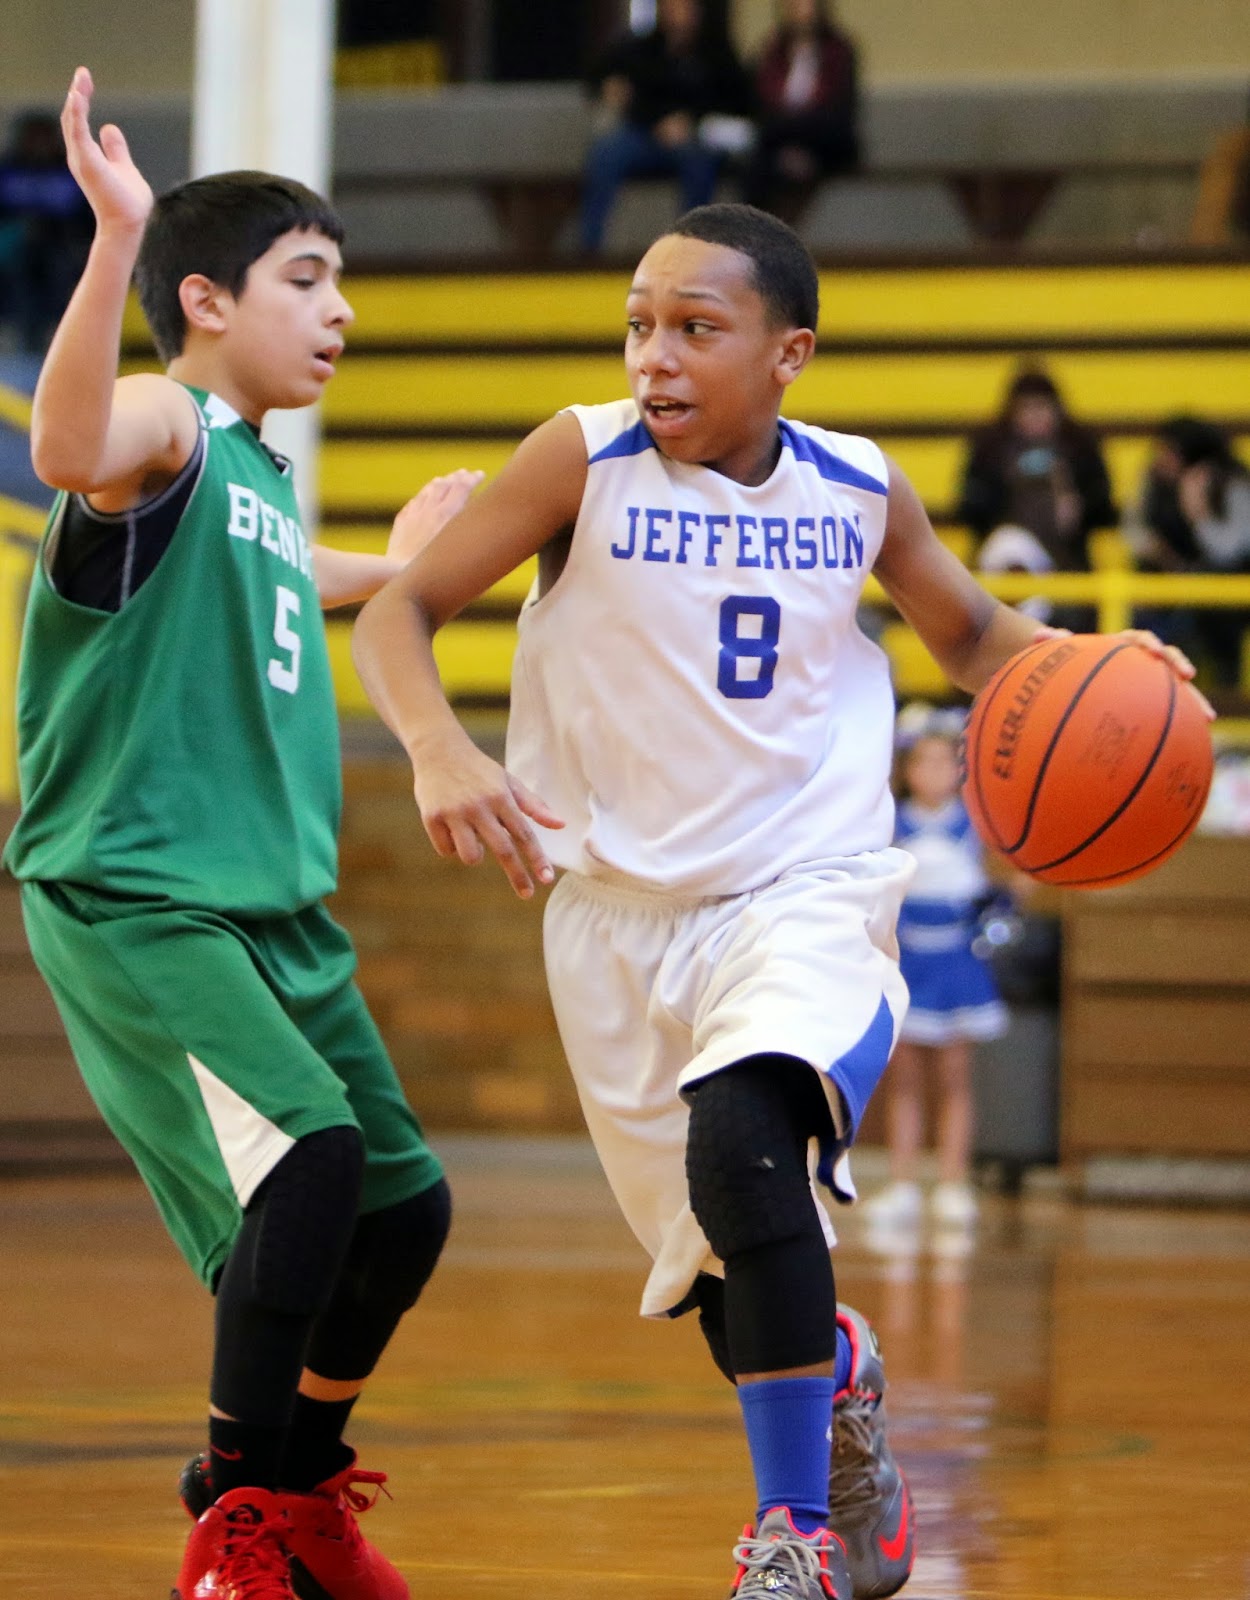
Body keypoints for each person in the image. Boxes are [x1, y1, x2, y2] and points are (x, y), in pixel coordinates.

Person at [351, 200, 1202, 1597]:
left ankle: (788, 1543)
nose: (653, 357)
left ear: (786, 351)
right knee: (724, 1274)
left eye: (694, 328)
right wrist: (441, 749)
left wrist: (1104, 659)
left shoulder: (857, 485)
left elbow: (978, 639)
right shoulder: (583, 459)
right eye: (637, 323)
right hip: (614, 918)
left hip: (803, 890)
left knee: (746, 1142)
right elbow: (397, 610)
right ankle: (847, 1375)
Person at [3, 68, 478, 1600]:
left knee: (405, 1209)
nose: (340, 310)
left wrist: (401, 561)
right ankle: (235, 1520)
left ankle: (300, 1482)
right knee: (309, 1166)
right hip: (142, 893)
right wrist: (111, 239)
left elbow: (300, 572)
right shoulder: (174, 429)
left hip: (272, 912)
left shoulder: (258, 482)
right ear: (204, 300)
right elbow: (73, 444)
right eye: (309, 279)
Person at [861, 706, 1009, 1234]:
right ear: (908, 770)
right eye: (923, 762)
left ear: (959, 770)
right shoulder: (889, 823)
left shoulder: (977, 826)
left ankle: (951, 1183)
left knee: (953, 1078)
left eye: (944, 763)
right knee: (902, 1080)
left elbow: (1009, 883)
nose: (933, 773)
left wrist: (996, 915)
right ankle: (902, 1183)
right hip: (907, 959)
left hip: (957, 959)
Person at [580, 0, 752, 255]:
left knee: (699, 162)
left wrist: (691, 121)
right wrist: (613, 88)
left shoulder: (716, 51)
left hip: (694, 136)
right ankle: (589, 250)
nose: (678, 13)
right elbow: (600, 76)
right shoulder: (642, 47)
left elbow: (737, 100)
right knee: (606, 152)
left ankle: (690, 249)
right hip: (646, 132)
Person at [1123, 416, 1250, 688]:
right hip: (1167, 582)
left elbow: (1230, 551)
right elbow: (1134, 532)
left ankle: (1222, 690)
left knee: (1205, 612)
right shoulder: (1155, 484)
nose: (1161, 459)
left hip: (1223, 596)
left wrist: (1198, 512)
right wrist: (1161, 554)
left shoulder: (1231, 484)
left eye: (1170, 452)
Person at [956, 367, 1116, 575]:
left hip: (1065, 560)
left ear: (1056, 409)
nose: (1034, 416)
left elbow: (1105, 507)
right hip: (1005, 557)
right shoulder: (989, 449)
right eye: (1027, 409)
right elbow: (968, 506)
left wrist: (1082, 509)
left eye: (1041, 407)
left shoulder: (1080, 447)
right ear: (1012, 411)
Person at [739, 0, 860, 223]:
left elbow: (840, 110)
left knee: (807, 128)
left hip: (824, 138)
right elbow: (760, 104)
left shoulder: (838, 50)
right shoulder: (773, 50)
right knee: (758, 159)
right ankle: (751, 232)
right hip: (779, 140)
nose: (800, 9)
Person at [0, 107, 92, 353]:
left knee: (59, 270)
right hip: (13, 250)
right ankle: (24, 339)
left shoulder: (73, 172)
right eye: (33, 137)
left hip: (62, 250)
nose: (39, 144)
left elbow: (89, 220)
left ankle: (59, 337)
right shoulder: (7, 172)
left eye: (44, 137)